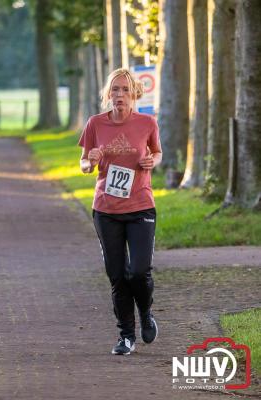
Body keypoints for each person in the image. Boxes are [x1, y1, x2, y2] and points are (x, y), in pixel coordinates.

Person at [78, 68, 162, 355]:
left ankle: (146, 314)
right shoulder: (95, 124)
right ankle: (126, 336)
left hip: (141, 206)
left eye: (125, 90)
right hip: (106, 208)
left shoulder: (147, 122)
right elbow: (84, 164)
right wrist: (90, 162)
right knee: (117, 274)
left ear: (135, 94)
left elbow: (156, 152)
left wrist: (153, 161)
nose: (120, 95)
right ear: (108, 94)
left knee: (138, 272)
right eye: (115, 90)